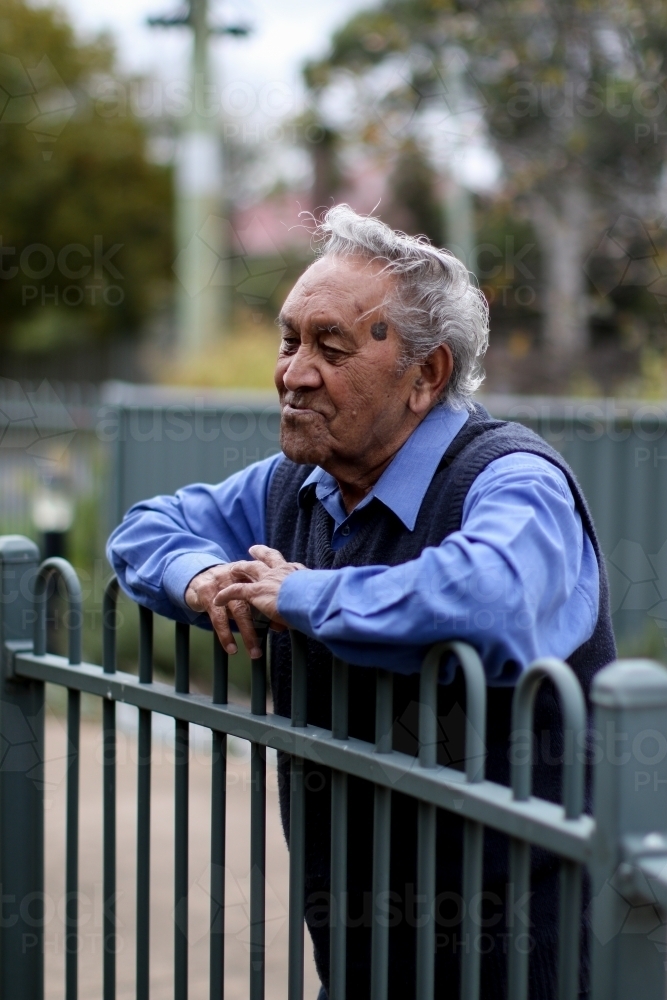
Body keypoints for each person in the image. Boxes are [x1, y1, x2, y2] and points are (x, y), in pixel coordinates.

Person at [107, 205, 615, 999]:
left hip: (523, 959)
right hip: (354, 947)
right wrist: (203, 579)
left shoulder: (513, 480)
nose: (293, 372)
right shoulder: (296, 484)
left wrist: (298, 595)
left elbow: (487, 596)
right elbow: (148, 529)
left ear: (426, 376)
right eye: (289, 340)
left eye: (330, 347)